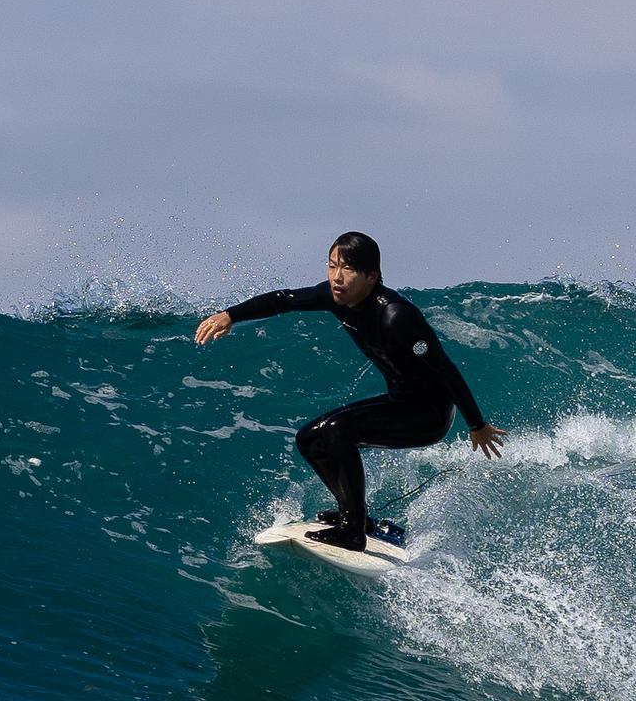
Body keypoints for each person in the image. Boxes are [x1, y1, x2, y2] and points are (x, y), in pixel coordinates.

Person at [196, 232, 503, 553]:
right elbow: (282, 300)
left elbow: (444, 367)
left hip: (429, 413)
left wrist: (476, 424)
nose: (336, 277)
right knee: (309, 439)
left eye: (348, 269)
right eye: (331, 266)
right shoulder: (334, 296)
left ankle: (353, 530)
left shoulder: (396, 316)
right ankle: (356, 518)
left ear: (371, 276)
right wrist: (230, 315)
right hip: (399, 401)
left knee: (337, 430)